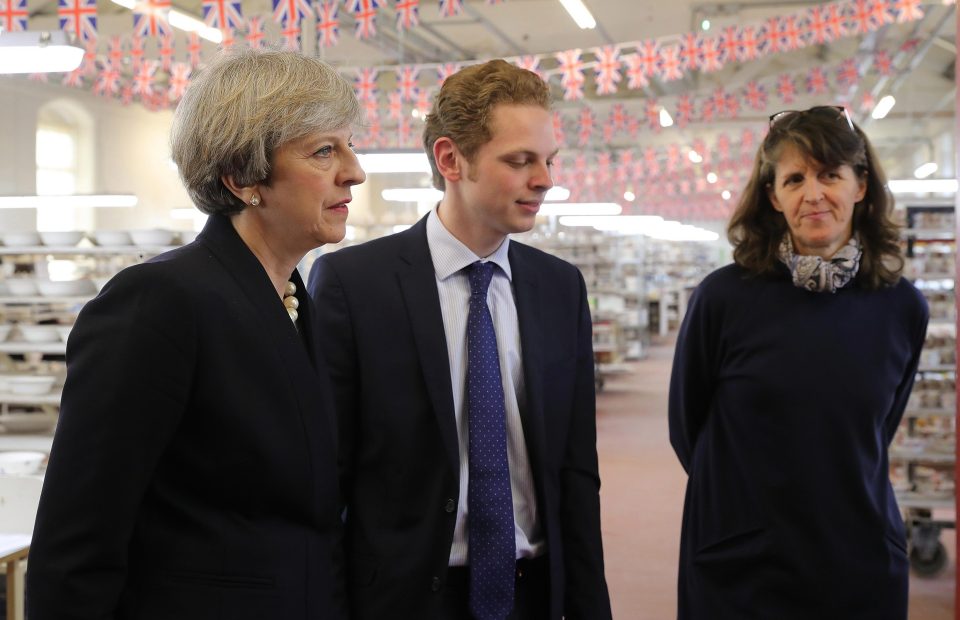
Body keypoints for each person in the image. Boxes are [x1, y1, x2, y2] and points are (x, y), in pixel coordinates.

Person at [26, 47, 365, 619]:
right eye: (324, 151)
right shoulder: (159, 303)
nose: (354, 170)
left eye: (349, 146)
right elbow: (78, 542)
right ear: (242, 178)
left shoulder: (293, 300)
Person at [308, 59, 612, 620]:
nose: (543, 179)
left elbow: (575, 470)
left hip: (533, 591)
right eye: (519, 161)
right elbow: (326, 477)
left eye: (548, 161)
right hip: (404, 597)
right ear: (451, 159)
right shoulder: (355, 285)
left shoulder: (559, 289)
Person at [668, 105, 928, 619]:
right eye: (794, 178)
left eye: (830, 174)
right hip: (741, 566)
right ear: (773, 197)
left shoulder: (901, 307)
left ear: (861, 186)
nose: (813, 194)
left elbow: (878, 428)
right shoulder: (723, 298)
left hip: (859, 560)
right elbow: (687, 428)